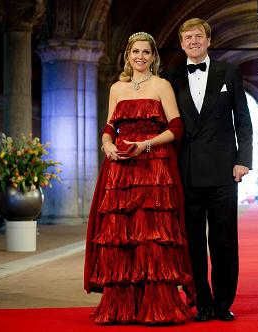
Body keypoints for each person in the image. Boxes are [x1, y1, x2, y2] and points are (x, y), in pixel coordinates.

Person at [83, 32, 194, 325]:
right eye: (136, 52)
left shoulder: (162, 85)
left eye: (146, 52)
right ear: (128, 56)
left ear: (153, 56)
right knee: (121, 234)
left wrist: (147, 144)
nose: (141, 57)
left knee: (153, 236)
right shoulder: (117, 88)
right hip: (121, 168)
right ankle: (122, 307)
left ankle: (157, 306)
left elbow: (177, 128)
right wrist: (107, 145)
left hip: (154, 166)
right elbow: (109, 126)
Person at [162, 18, 253, 322]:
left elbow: (243, 120)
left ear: (209, 40)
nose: (193, 41)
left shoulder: (228, 72)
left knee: (224, 241)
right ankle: (201, 301)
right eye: (187, 37)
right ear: (182, 42)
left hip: (224, 171)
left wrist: (244, 160)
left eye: (198, 36)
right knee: (193, 243)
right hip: (185, 171)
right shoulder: (170, 77)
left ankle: (223, 302)